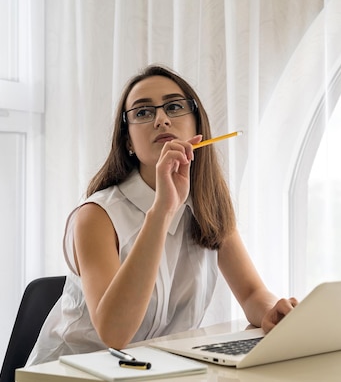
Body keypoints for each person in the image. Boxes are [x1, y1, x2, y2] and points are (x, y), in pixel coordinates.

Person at [27, 64, 297, 365]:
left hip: (157, 370)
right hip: (76, 372)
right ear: (128, 141)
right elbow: (114, 334)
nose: (161, 119)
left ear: (197, 127)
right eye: (143, 112)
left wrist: (273, 311)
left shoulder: (209, 206)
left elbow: (251, 294)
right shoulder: (96, 216)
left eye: (174, 107)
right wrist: (162, 210)